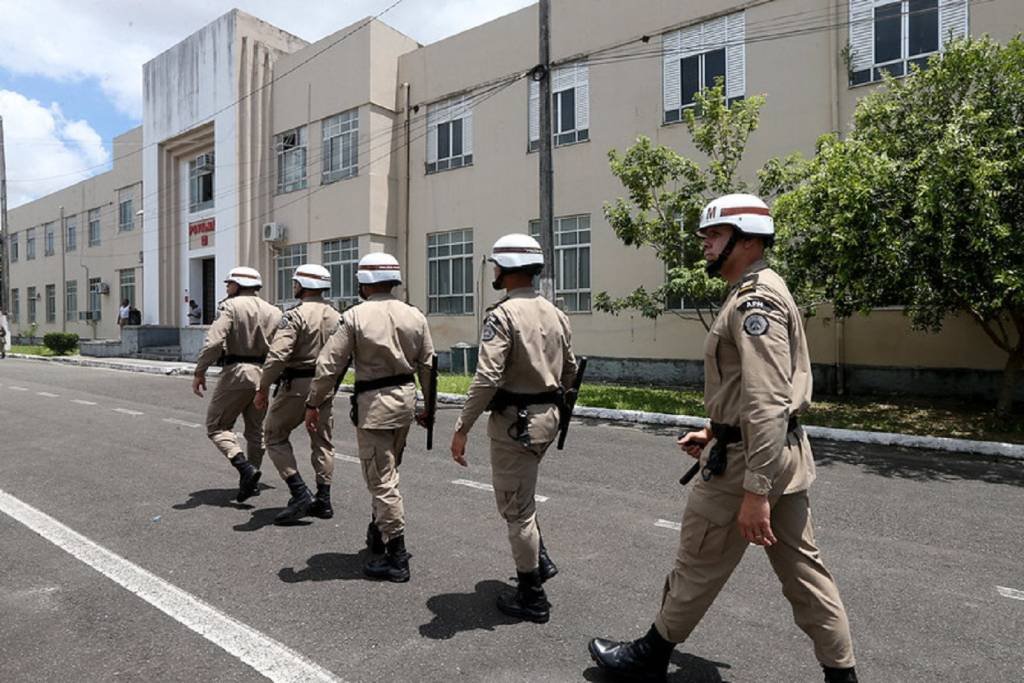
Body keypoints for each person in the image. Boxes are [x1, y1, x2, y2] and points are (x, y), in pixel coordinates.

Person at [588, 194, 858, 683]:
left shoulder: (755, 301)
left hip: (749, 465)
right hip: (772, 455)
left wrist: (755, 489)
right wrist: (715, 427)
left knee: (698, 559)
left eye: (714, 235)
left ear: (747, 239)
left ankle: (651, 655)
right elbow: (751, 391)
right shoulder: (757, 290)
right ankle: (843, 676)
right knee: (806, 576)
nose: (706, 245)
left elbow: (769, 400)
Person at [450, 233, 577, 624]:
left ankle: (531, 596)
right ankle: (538, 558)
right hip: (546, 420)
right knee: (523, 496)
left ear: (504, 268)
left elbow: (487, 378)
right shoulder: (555, 313)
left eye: (495, 265)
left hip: (515, 425)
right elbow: (570, 369)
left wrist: (462, 426)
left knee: (516, 510)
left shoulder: (502, 315)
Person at [305, 252, 434, 583]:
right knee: (388, 472)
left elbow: (328, 365)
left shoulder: (354, 317)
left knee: (382, 480)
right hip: (405, 403)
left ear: (364, 283)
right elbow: (428, 366)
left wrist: (314, 402)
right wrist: (428, 407)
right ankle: (378, 532)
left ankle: (398, 557)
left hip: (374, 407)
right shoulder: (415, 316)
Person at [254, 264, 340, 525]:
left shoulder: (294, 316)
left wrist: (263, 387)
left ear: (302, 285)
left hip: (297, 385)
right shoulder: (337, 316)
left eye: (295, 282)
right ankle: (323, 500)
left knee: (274, 435)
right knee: (322, 441)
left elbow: (279, 354)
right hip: (325, 383)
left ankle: (299, 492)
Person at [193, 267, 282, 503]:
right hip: (263, 374)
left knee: (216, 426)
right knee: (255, 431)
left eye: (229, 283)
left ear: (238, 284)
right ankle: (250, 481)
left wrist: (200, 370)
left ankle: (244, 468)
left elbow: (214, 343)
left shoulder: (229, 306)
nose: (226, 287)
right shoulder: (274, 311)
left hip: (236, 372)